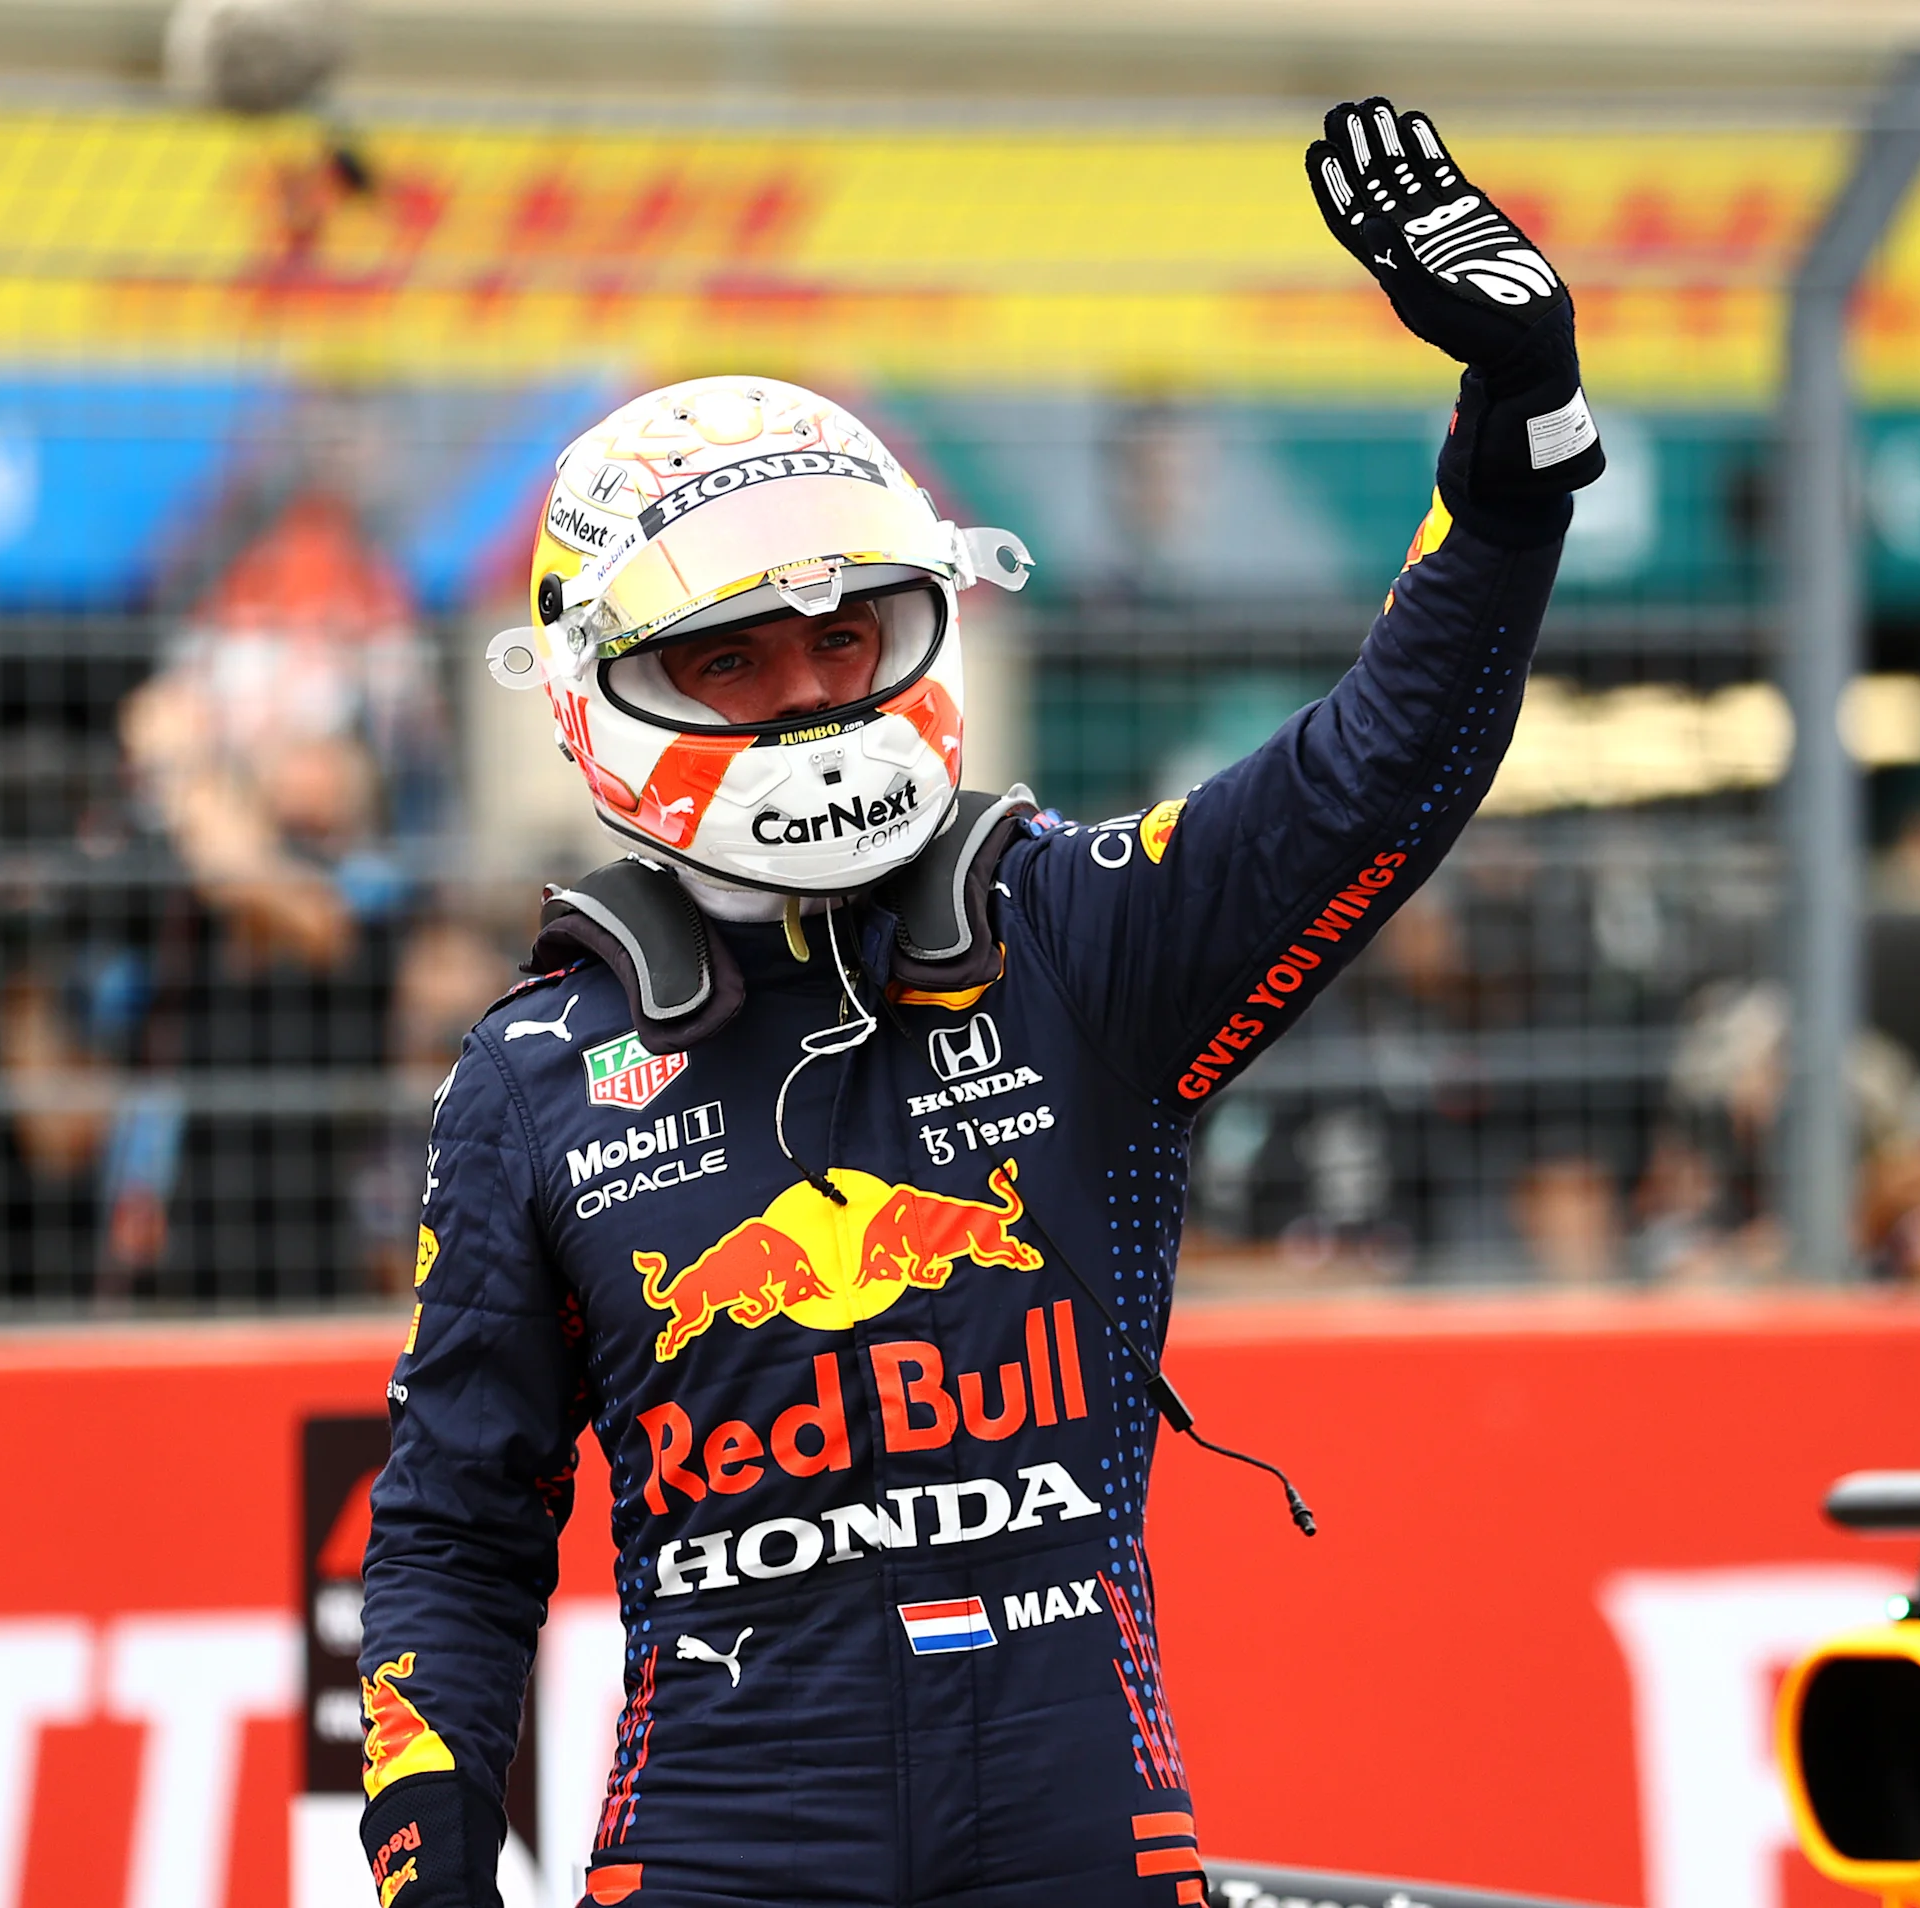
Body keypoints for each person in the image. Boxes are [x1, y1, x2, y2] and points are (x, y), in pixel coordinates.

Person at [360, 99, 1600, 1908]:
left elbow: (1372, 773)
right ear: (604, 693)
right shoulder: (532, 1071)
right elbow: (454, 1540)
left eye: (843, 639)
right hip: (723, 1852)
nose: (806, 696)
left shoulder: (1072, 934)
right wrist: (433, 1886)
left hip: (1081, 1837)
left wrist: (1515, 445)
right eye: (732, 656)